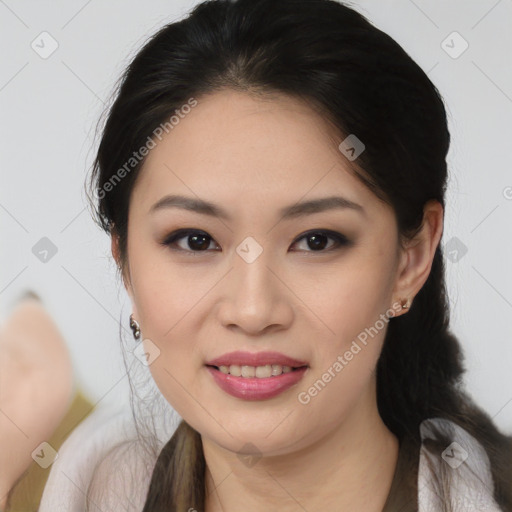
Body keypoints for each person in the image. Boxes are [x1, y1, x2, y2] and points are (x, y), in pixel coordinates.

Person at [37, 0, 512, 510]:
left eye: (316, 240)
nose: (253, 310)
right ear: (124, 262)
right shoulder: (72, 486)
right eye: (196, 240)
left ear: (410, 258)